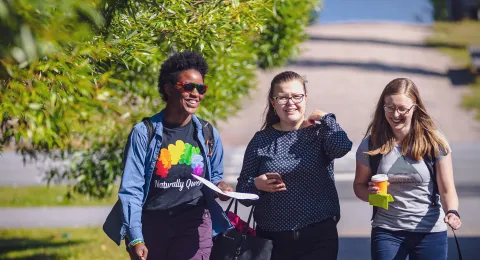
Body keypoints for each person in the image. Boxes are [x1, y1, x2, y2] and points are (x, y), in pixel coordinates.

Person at [103, 51, 233, 260]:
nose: (196, 94)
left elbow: (215, 177)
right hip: (153, 225)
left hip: (194, 223)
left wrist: (221, 188)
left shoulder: (208, 133)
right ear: (169, 88)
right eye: (188, 87)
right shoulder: (144, 132)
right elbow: (131, 190)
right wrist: (135, 237)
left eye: (201, 89)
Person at [236, 71, 352, 260]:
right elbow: (243, 193)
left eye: (297, 96)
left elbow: (342, 146)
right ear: (273, 102)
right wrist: (257, 185)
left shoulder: (319, 133)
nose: (290, 103)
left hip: (319, 235)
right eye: (282, 97)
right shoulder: (261, 141)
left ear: (305, 98)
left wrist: (326, 118)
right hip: (273, 240)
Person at [353, 78, 462, 260]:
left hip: (430, 231)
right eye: (389, 107)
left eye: (402, 108)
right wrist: (371, 195)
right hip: (387, 231)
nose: (395, 114)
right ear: (383, 107)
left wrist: (452, 212)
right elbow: (359, 186)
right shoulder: (371, 144)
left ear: (415, 108)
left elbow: (447, 188)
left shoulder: (434, 142)